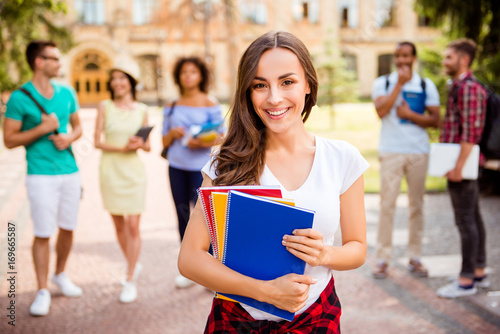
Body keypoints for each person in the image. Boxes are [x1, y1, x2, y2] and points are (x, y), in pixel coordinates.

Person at [178, 31, 369, 332]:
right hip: (235, 319)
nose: (274, 98)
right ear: (247, 92)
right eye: (260, 85)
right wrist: (266, 292)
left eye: (287, 82)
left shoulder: (342, 158)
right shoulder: (224, 162)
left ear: (308, 83)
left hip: (316, 318)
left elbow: (358, 248)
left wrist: (325, 254)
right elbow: (189, 259)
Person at [3, 40, 83, 316]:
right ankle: (41, 289)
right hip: (40, 175)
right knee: (42, 233)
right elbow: (9, 140)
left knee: (68, 227)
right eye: (55, 59)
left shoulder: (67, 92)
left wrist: (68, 137)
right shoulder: (19, 98)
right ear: (39, 61)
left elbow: (78, 126)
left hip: (70, 171)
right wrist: (42, 128)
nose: (60, 64)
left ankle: (60, 273)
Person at [371, 41, 440, 279]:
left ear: (414, 58)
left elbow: (436, 120)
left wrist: (410, 115)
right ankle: (382, 258)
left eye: (406, 56)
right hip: (391, 151)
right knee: (387, 205)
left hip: (418, 151)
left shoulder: (425, 84)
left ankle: (415, 257)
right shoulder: (383, 83)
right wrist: (399, 85)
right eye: (398, 56)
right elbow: (381, 112)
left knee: (416, 206)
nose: (402, 60)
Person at [162, 56, 223, 289]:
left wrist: (202, 141)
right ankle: (187, 267)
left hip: (203, 170)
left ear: (201, 76)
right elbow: (163, 138)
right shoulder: (172, 105)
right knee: (182, 215)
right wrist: (174, 135)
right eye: (183, 72)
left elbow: (222, 136)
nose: (188, 76)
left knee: (206, 218)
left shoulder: (210, 103)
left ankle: (209, 269)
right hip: (176, 167)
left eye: (193, 72)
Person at [94, 55, 150, 303]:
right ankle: (132, 263)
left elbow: (148, 147)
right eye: (114, 78)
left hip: (134, 174)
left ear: (131, 82)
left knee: (133, 226)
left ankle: (129, 279)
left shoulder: (143, 110)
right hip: (110, 170)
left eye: (122, 78)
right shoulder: (103, 106)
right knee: (118, 225)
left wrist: (139, 144)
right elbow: (96, 141)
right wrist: (122, 149)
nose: (117, 82)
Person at [436, 39, 488, 298]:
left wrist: (457, 167)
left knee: (466, 220)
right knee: (473, 218)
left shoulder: (468, 88)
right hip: (460, 165)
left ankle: (466, 280)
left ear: (463, 60)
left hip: (462, 167)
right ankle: (478, 271)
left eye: (448, 57)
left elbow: (471, 133)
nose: (444, 62)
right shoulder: (460, 86)